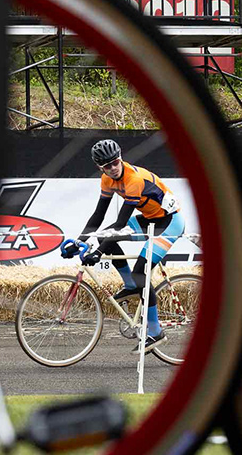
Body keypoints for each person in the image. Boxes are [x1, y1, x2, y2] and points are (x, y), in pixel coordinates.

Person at [70, 137, 183, 341]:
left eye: (115, 162)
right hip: (150, 219)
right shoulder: (107, 180)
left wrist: (98, 253)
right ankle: (130, 286)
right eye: (107, 166)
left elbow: (120, 223)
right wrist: (80, 241)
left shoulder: (134, 180)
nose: (113, 168)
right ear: (100, 167)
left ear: (120, 157)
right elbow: (98, 215)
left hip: (170, 223)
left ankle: (155, 331)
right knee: (106, 237)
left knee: (141, 272)